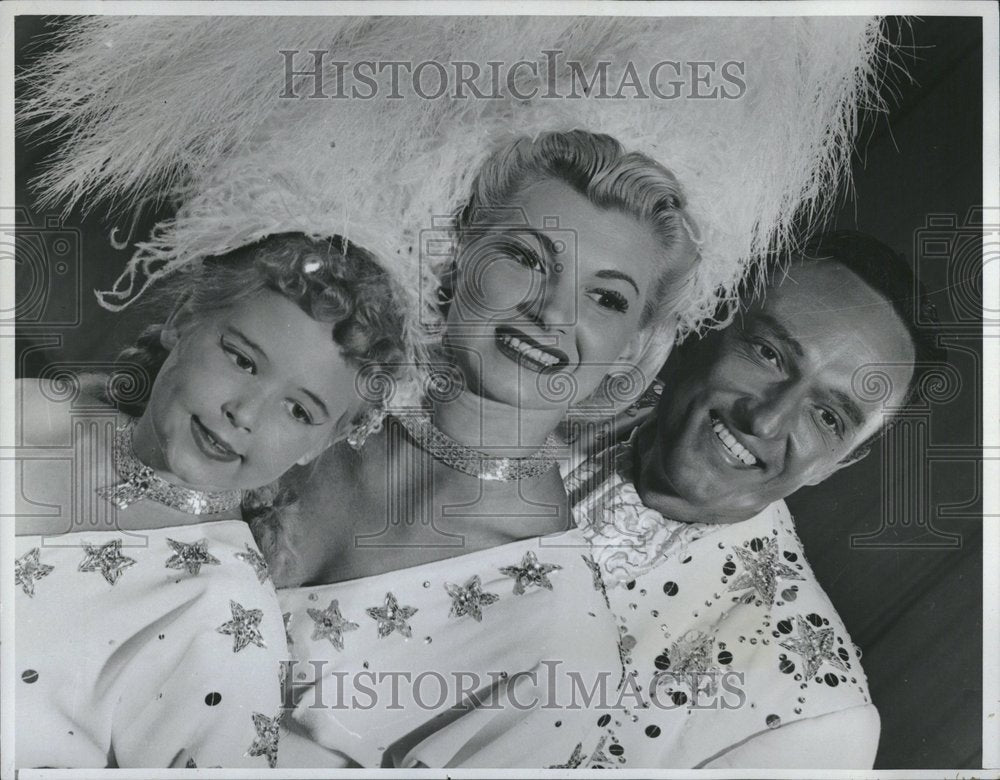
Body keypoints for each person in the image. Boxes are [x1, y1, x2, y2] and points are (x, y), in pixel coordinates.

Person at [269, 130, 700, 768]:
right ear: (458, 254)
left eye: (606, 298)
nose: (553, 312)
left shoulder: (553, 644)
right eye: (528, 258)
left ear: (632, 347)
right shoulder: (296, 391)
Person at [14, 233, 408, 768]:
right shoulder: (34, 408)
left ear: (321, 443)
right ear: (184, 319)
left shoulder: (218, 618)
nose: (245, 412)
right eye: (243, 360)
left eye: (298, 411)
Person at [565, 230, 942, 768]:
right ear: (714, 321)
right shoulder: (545, 393)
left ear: (838, 463)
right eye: (768, 354)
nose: (765, 420)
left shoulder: (814, 715)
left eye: (828, 417)